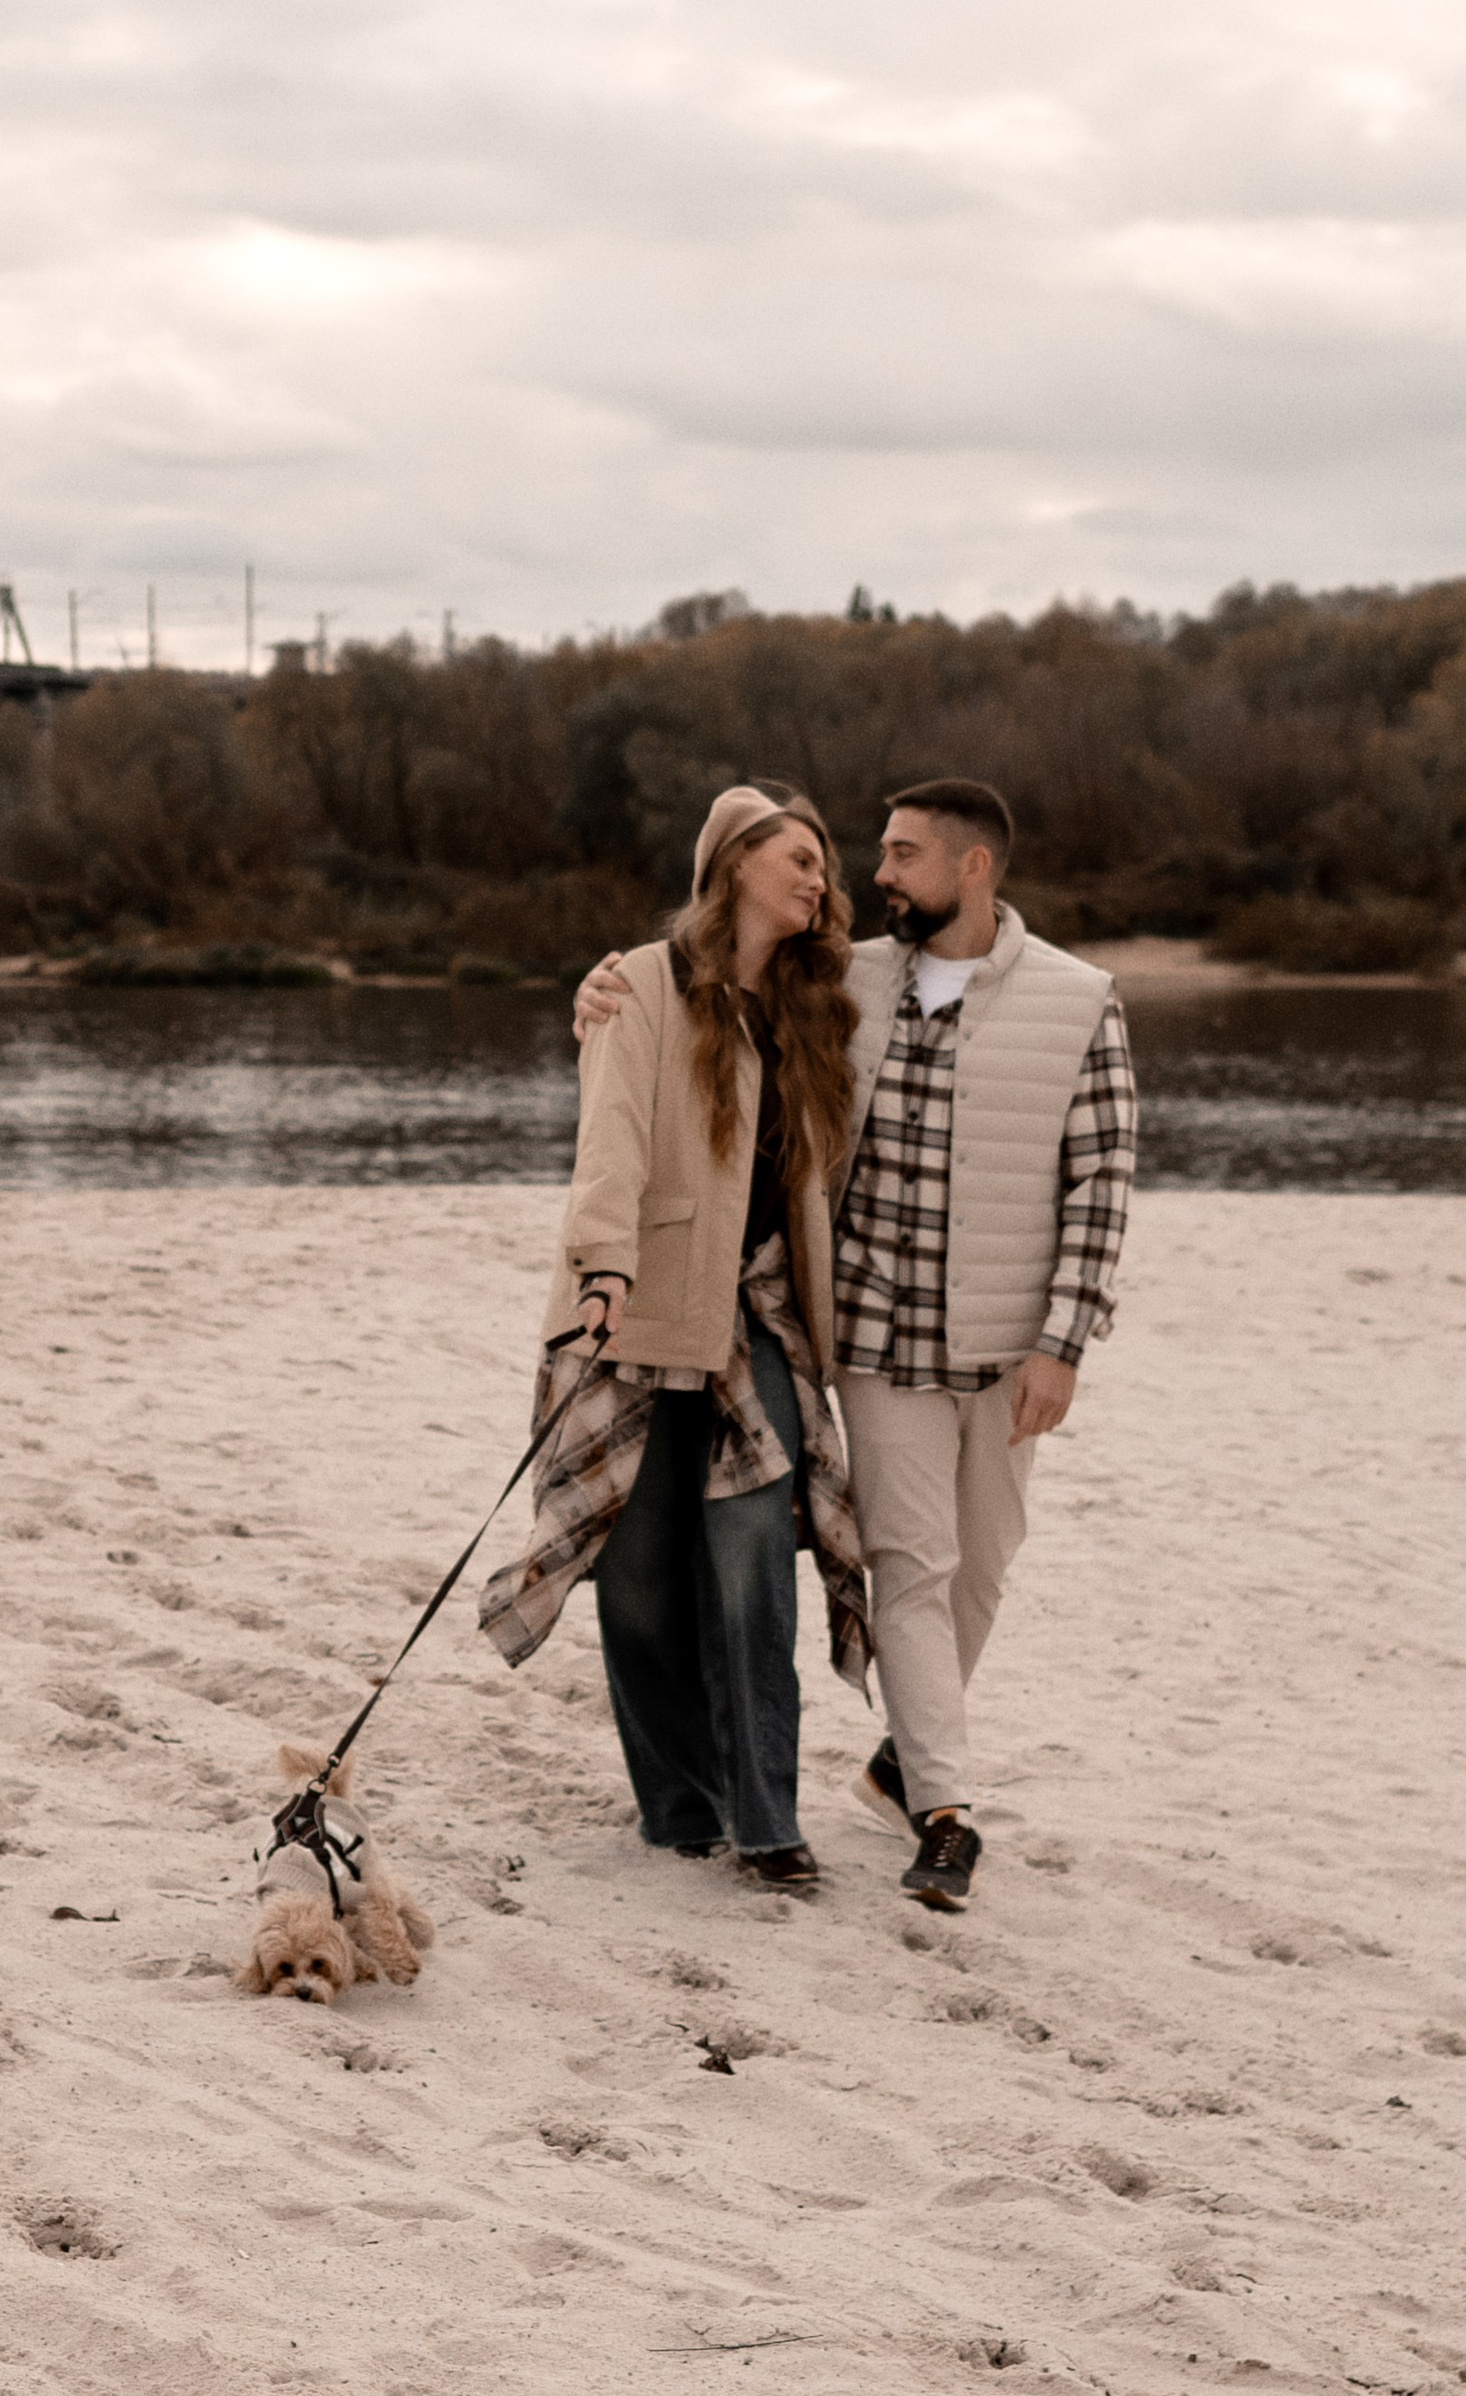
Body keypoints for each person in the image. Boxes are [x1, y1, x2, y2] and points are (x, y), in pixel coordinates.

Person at [573, 776, 1136, 1917]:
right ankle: (850, 1813)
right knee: (825, 1577)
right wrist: (595, 996)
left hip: (902, 1335)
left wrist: (1064, 1340)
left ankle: (839, 1789)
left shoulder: (1046, 998)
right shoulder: (800, 979)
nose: (863, 875)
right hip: (781, 1328)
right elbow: (648, 1064)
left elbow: (1101, 1184)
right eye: (846, 855)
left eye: (895, 854)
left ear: (972, 868)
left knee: (931, 1569)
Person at [480, 784, 871, 1890]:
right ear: (734, 861)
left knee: (756, 1575)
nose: (818, 879)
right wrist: (599, 1268)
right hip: (641, 1309)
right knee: (641, 1580)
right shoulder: (642, 984)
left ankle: (767, 1819)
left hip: (763, 1331)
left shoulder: (815, 1002)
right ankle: (680, 1807)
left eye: (826, 866)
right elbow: (609, 1139)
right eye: (797, 857)